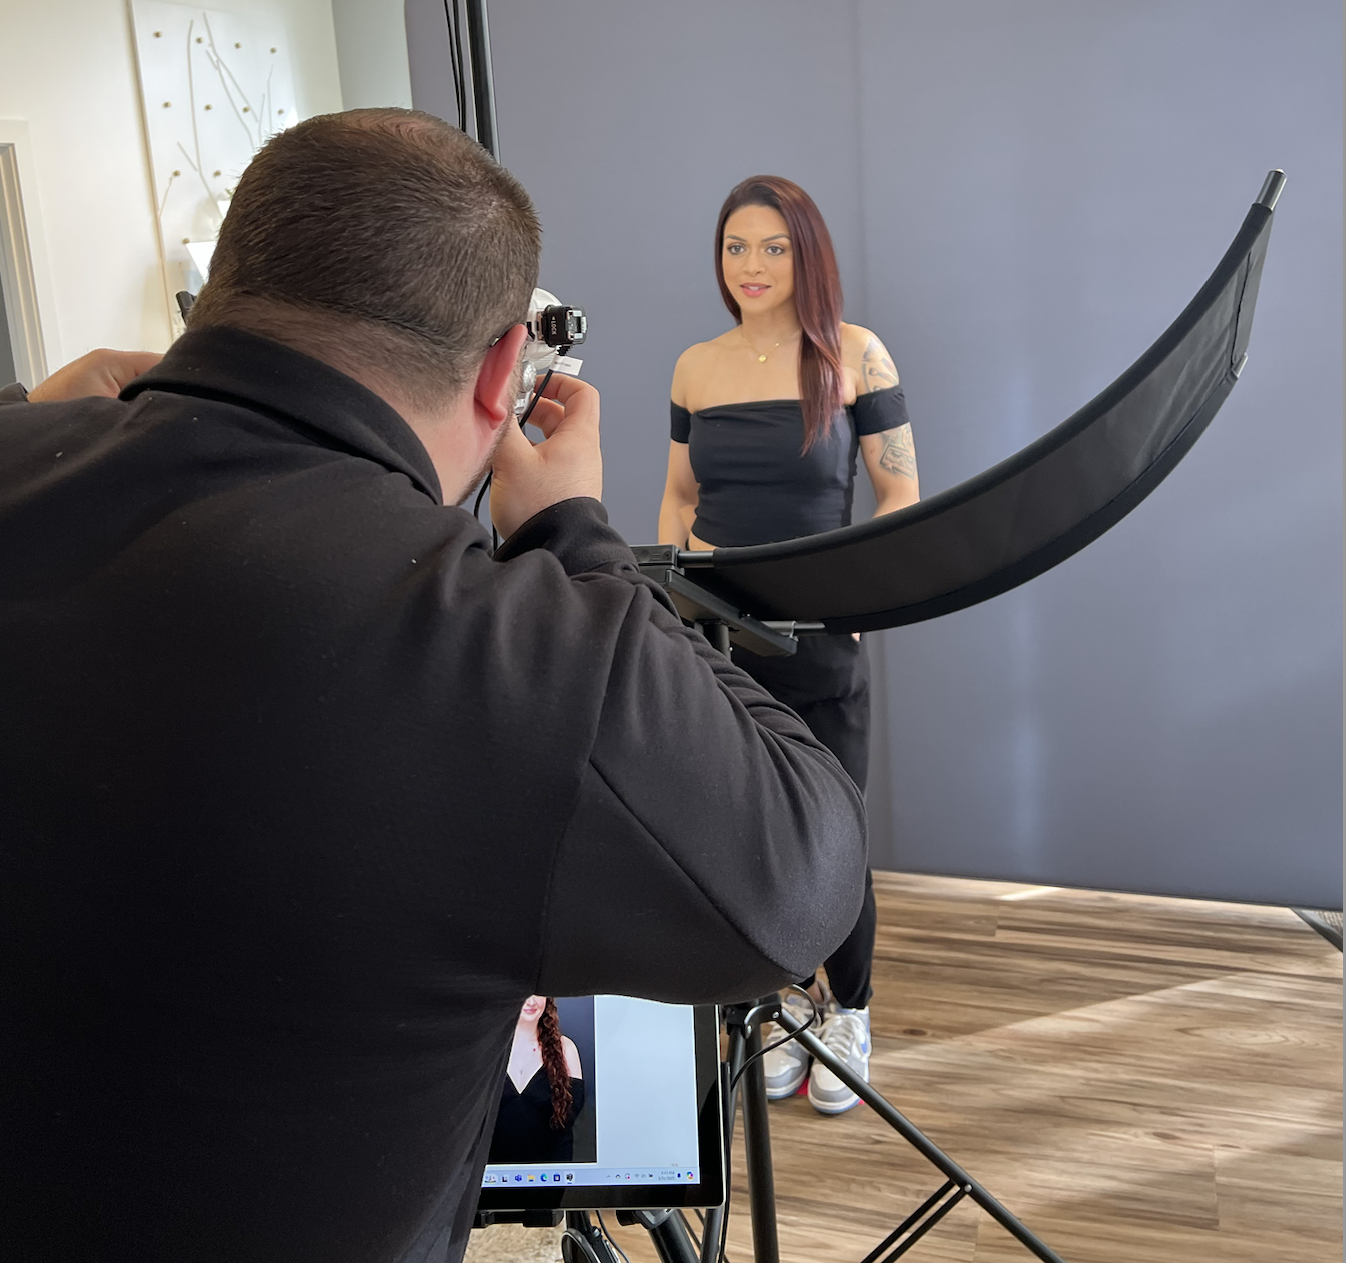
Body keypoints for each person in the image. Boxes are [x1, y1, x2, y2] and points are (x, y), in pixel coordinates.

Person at [0, 112, 868, 1263]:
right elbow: (796, 887)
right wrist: (577, 538)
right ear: (505, 372)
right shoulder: (516, 652)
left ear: (214, 298)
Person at [658, 174, 919, 1117]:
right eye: (737, 246)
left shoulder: (856, 354)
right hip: (717, 637)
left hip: (818, 634)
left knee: (832, 830)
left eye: (774, 246)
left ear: (807, 256)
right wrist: (675, 607)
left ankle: (848, 1008)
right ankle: (774, 1005)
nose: (753, 264)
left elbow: (900, 493)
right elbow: (680, 499)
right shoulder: (695, 367)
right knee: (741, 831)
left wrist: (864, 593)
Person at [488, 996, 586, 1165]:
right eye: (525, 994)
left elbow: (566, 1126)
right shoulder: (486, 1050)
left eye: (538, 993)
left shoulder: (566, 1050)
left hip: (549, 1175)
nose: (531, 1002)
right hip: (489, 1176)